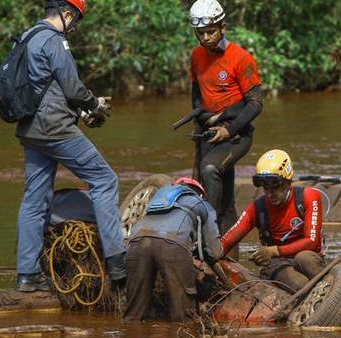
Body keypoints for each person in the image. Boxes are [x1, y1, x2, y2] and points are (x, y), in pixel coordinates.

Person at [14, 0, 126, 292]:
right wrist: (94, 106)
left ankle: (27, 276)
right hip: (54, 128)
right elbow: (72, 87)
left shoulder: (27, 36)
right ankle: (117, 264)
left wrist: (80, 112)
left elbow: (45, 89)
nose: (74, 28)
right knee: (105, 180)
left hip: (29, 128)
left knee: (34, 199)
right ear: (66, 14)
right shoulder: (54, 40)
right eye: (75, 22)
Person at [188, 0, 263, 236]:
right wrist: (202, 120)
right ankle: (226, 253)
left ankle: (210, 235)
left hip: (236, 134)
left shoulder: (241, 58)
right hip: (208, 132)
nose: (206, 38)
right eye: (201, 33)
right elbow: (196, 94)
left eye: (211, 31)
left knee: (210, 169)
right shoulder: (197, 56)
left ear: (223, 27)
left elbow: (256, 104)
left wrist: (229, 131)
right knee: (216, 191)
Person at [220, 150, 326, 292]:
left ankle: (328, 290)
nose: (270, 194)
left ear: (288, 182)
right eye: (265, 188)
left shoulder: (309, 197)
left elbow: (311, 242)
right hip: (277, 265)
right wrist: (207, 253)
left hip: (308, 258)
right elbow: (227, 241)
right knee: (301, 285)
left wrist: (273, 250)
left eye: (275, 187)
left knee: (304, 258)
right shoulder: (257, 208)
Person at [124, 177, 223, 322]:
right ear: (199, 194)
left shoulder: (156, 198)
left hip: (137, 242)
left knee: (133, 315)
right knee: (184, 317)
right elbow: (215, 251)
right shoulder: (203, 204)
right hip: (173, 243)